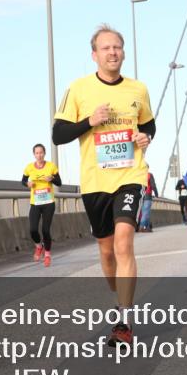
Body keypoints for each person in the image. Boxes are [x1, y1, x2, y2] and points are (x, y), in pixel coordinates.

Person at [52, 25, 155, 345]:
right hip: (95, 180)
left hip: (130, 176)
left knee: (124, 243)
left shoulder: (138, 90)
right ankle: (119, 297)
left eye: (118, 47)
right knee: (107, 252)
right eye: (106, 48)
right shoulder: (79, 89)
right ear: (94, 54)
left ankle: (124, 320)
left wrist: (145, 137)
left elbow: (150, 125)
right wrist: (90, 122)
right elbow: (58, 135)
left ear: (123, 52)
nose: (113, 52)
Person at [22, 143, 63, 266]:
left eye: (41, 153)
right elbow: (23, 181)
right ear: (34, 154)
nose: (39, 155)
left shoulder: (51, 166)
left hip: (48, 203)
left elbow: (59, 183)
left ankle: (47, 254)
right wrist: (27, 184)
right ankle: (39, 246)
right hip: (35, 203)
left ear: (44, 153)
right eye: (37, 153)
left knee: (45, 230)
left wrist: (52, 179)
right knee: (33, 229)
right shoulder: (29, 167)